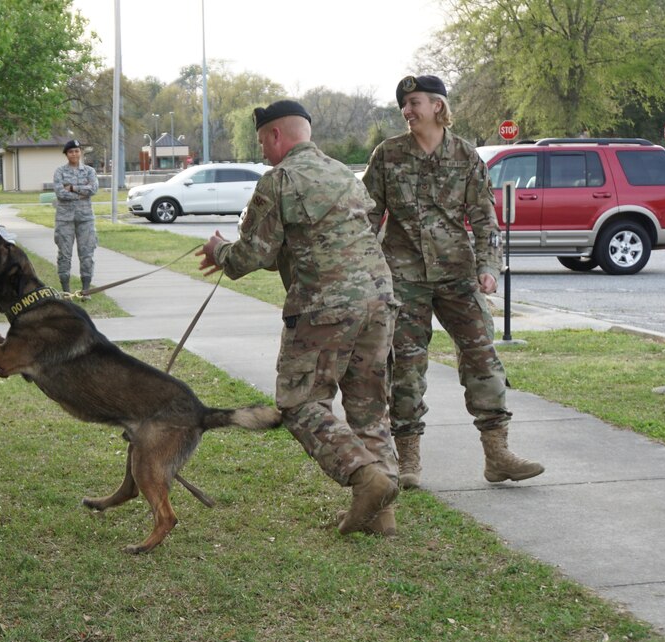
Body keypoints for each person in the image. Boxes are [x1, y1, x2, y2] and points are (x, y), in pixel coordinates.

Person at [197, 100, 401, 536]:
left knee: (300, 404)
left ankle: (367, 477)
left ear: (276, 135)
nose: (263, 153)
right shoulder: (344, 173)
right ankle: (381, 515)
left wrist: (219, 251)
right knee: (369, 406)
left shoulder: (280, 179)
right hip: (379, 299)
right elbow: (303, 244)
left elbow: (251, 255)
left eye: (262, 143)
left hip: (324, 306)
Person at [362, 75, 544, 489]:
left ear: (438, 106)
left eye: (415, 102)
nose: (408, 111)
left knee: (483, 358)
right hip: (404, 276)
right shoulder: (387, 155)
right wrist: (368, 270)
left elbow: (485, 219)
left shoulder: (465, 156)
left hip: (458, 274)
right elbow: (368, 217)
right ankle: (407, 459)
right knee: (406, 368)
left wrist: (489, 267)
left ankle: (497, 454)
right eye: (404, 105)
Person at [52, 139, 99, 293]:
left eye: (77, 151)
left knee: (87, 254)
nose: (74, 154)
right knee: (64, 255)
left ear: (81, 153)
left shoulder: (89, 171)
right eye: (71, 151)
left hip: (85, 219)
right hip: (65, 219)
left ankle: (86, 290)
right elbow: (60, 193)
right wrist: (81, 194)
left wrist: (72, 188)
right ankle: (66, 290)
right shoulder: (60, 172)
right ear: (66, 154)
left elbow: (93, 189)